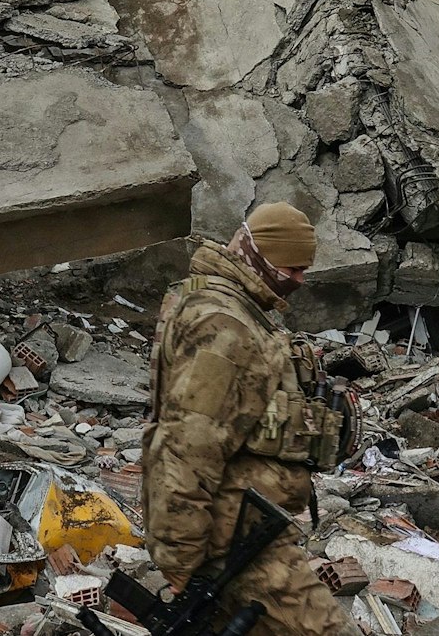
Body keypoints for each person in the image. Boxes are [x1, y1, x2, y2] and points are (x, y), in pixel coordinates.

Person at [143, 202, 349, 636]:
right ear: (258, 254)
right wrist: (180, 559)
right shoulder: (226, 326)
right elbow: (186, 447)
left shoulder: (230, 307)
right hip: (234, 542)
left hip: (244, 530)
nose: (300, 280)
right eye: (292, 268)